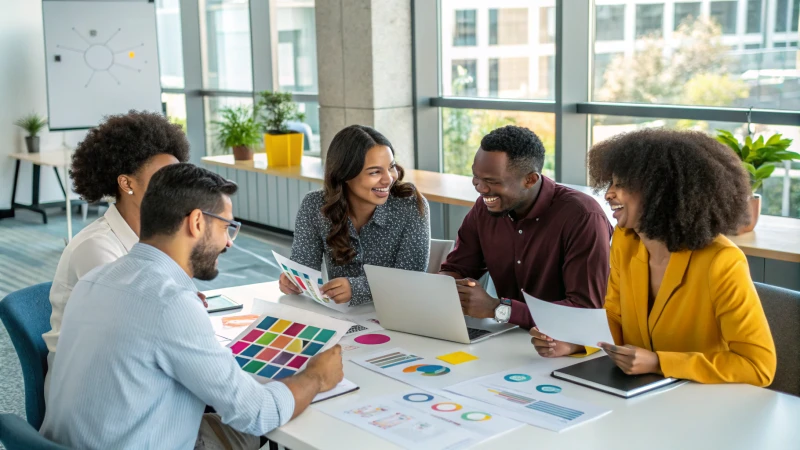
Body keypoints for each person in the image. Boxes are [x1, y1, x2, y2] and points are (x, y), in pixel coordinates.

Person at [40, 164, 344, 449]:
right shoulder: (170, 304)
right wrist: (316, 376)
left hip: (79, 440)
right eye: (227, 227)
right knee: (261, 419)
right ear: (197, 222)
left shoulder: (94, 279)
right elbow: (257, 413)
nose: (229, 243)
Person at [532, 129, 776, 387]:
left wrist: (660, 363)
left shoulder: (722, 262)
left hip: (701, 401)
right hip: (638, 394)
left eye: (621, 184)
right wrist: (573, 342)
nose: (608, 194)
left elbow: (758, 366)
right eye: (611, 183)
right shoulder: (626, 242)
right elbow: (615, 318)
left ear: (662, 192)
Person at [43, 111, 189, 400]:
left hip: (135, 376)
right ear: (127, 184)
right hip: (95, 395)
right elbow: (144, 324)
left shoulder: (159, 237)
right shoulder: (96, 248)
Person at [439, 125, 613, 336]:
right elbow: (458, 269)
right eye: (476, 177)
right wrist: (445, 286)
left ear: (530, 180)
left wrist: (498, 309)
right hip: (507, 338)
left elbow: (585, 311)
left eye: (492, 181)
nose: (480, 188)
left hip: (567, 345)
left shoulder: (583, 217)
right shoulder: (484, 208)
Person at [280, 125, 430, 306]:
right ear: (345, 174)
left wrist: (358, 288)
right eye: (375, 171)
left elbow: (411, 279)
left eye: (390, 167)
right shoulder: (314, 205)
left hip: (395, 314)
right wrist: (294, 281)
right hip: (341, 317)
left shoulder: (411, 206)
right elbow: (303, 267)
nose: (388, 179)